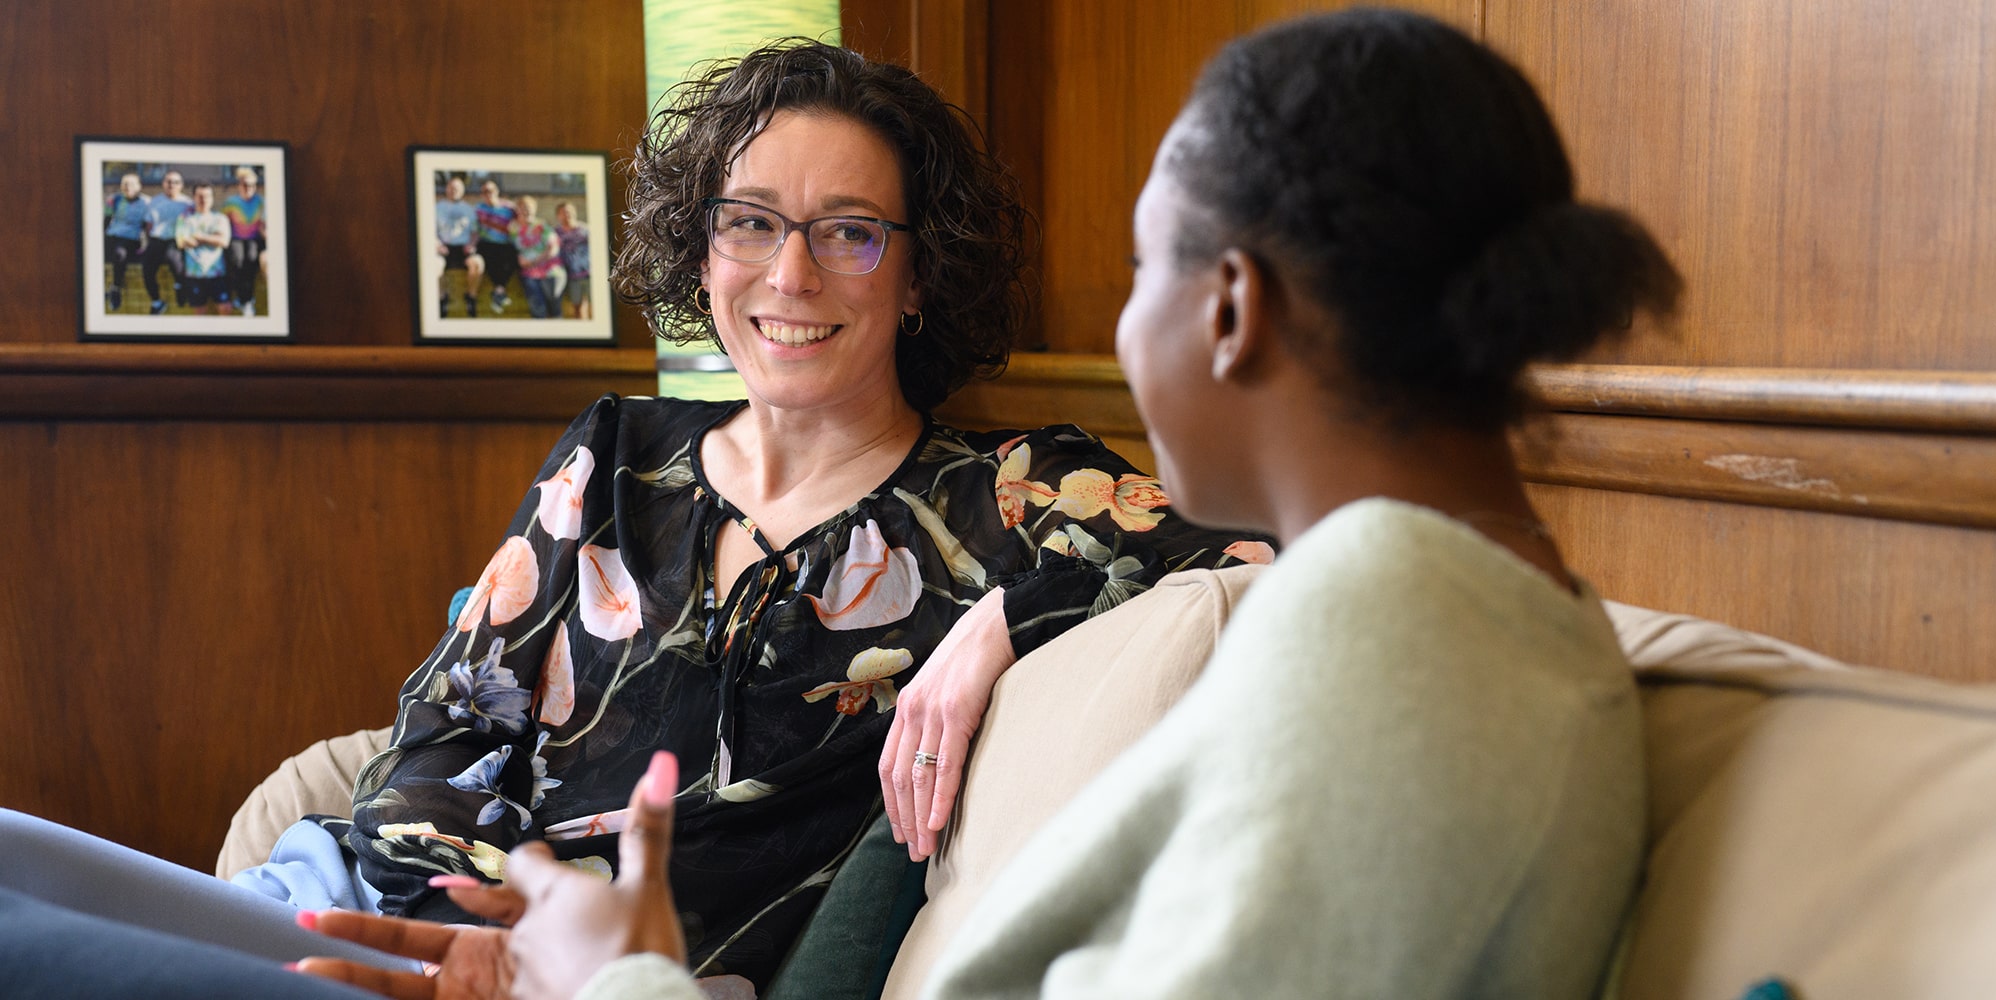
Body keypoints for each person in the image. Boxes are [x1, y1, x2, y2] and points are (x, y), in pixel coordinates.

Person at [303, 8, 1683, 998]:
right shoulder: (1449, 614)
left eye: (1142, 266)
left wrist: (624, 979)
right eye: (753, 222)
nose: (792, 272)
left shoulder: (1393, 644)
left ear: (1231, 310)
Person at [0, 36, 1254, 996]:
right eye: (750, 223)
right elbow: (448, 718)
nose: (788, 275)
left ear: (922, 272)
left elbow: (1253, 557)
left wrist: (996, 622)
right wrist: (464, 915)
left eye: (849, 235)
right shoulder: (615, 450)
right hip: (385, 922)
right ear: (701, 250)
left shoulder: (1005, 489)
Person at [174, 184, 233, 316]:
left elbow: (223, 241)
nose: (203, 199)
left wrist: (198, 236)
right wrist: (213, 237)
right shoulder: (185, 218)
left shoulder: (220, 218)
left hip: (217, 273)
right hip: (194, 275)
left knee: (225, 309)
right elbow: (181, 242)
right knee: (199, 313)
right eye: (200, 196)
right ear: (194, 197)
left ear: (212, 198)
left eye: (207, 196)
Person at [139, 169, 194, 313]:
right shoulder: (155, 201)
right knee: (146, 269)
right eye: (168, 182)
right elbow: (148, 225)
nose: (172, 185)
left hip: (177, 240)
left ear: (181, 185)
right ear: (163, 184)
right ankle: (157, 302)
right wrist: (147, 241)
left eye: (176, 182)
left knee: (174, 260)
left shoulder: (187, 203)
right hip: (157, 239)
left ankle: (180, 288)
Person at [510, 194, 566, 318]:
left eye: (529, 207)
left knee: (554, 308)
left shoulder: (542, 226)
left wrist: (535, 261)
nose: (526, 210)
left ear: (534, 209)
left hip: (551, 270)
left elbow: (554, 247)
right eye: (523, 207)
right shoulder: (513, 229)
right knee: (538, 310)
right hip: (529, 273)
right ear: (518, 210)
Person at [220, 166, 265, 316]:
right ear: (239, 185)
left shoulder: (261, 202)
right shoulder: (231, 202)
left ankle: (247, 300)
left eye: (252, 185)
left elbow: (264, 224)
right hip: (236, 239)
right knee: (237, 261)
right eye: (245, 184)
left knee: (251, 261)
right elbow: (224, 222)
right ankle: (241, 298)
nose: (248, 188)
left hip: (254, 239)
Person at [102, 171, 149, 312]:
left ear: (139, 186)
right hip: (113, 234)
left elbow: (147, 226)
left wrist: (147, 245)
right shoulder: (114, 199)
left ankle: (116, 289)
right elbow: (106, 221)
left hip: (132, 237)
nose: (128, 187)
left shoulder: (146, 202)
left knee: (119, 254)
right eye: (125, 184)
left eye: (131, 184)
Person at [471, 178, 520, 313]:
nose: (488, 193)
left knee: (513, 256)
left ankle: (498, 291)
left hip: (505, 243)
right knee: (488, 255)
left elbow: (521, 221)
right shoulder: (478, 209)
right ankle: (499, 292)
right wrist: (472, 245)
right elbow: (475, 230)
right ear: (482, 194)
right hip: (486, 243)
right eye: (485, 191)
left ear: (497, 191)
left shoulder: (509, 207)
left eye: (491, 190)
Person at [436, 175, 481, 318]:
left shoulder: (469, 209)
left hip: (463, 248)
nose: (454, 190)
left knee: (478, 263)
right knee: (433, 265)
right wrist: (437, 244)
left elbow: (475, 232)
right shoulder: (437, 208)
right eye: (451, 187)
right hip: (444, 247)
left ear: (462, 191)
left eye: (457, 188)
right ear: (447, 189)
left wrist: (472, 244)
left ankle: (471, 298)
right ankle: (442, 299)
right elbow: (428, 231)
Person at [555, 201, 592, 319]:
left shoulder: (585, 230)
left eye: (569, 211)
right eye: (563, 212)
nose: (567, 214)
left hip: (589, 273)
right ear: (558, 216)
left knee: (588, 307)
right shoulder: (555, 233)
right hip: (571, 275)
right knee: (576, 308)